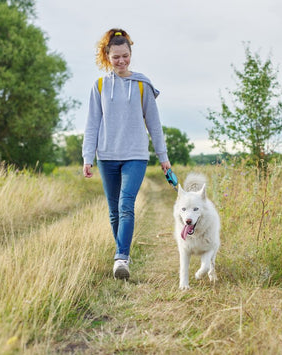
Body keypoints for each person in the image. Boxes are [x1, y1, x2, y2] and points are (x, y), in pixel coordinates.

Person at [82, 28, 171, 280]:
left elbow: (154, 124)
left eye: (125, 56)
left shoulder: (143, 85)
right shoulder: (99, 85)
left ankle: (121, 257)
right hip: (107, 156)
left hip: (135, 155)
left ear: (131, 53)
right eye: (116, 57)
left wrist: (162, 157)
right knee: (113, 211)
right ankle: (122, 255)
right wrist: (88, 157)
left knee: (126, 205)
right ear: (107, 56)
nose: (121, 61)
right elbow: (92, 124)